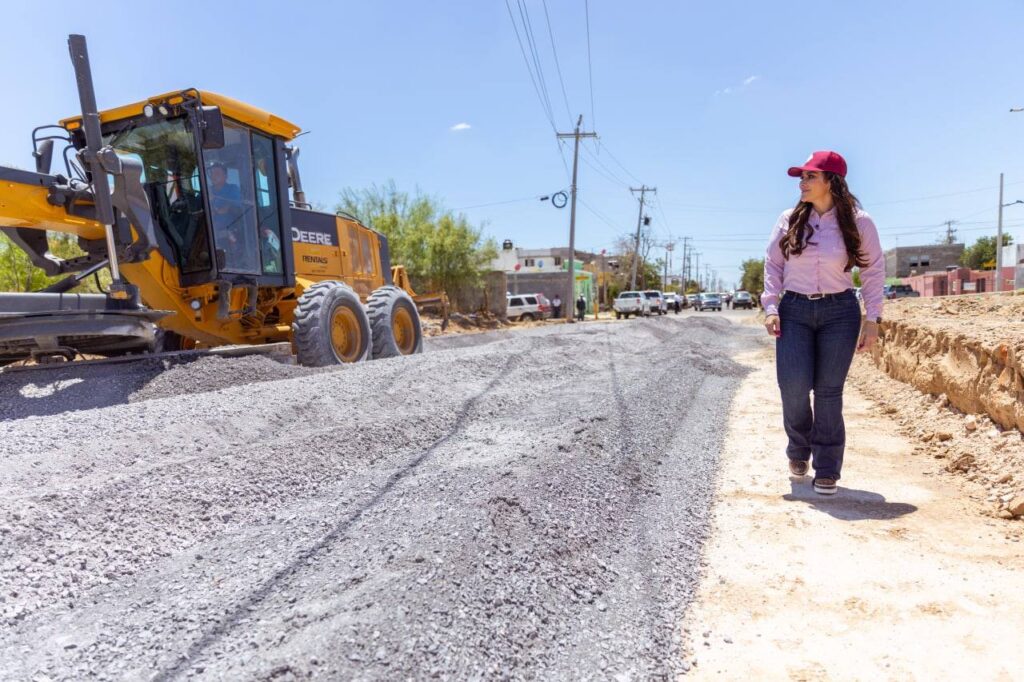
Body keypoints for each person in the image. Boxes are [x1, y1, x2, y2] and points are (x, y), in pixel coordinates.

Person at [761, 151, 883, 496]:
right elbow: (772, 266)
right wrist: (771, 307)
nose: (802, 183)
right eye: (802, 177)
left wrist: (872, 319)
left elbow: (873, 271)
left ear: (831, 180)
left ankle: (827, 468)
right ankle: (799, 451)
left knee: (829, 391)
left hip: (840, 312)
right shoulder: (788, 219)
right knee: (794, 387)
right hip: (794, 311)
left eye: (809, 177)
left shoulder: (860, 222)